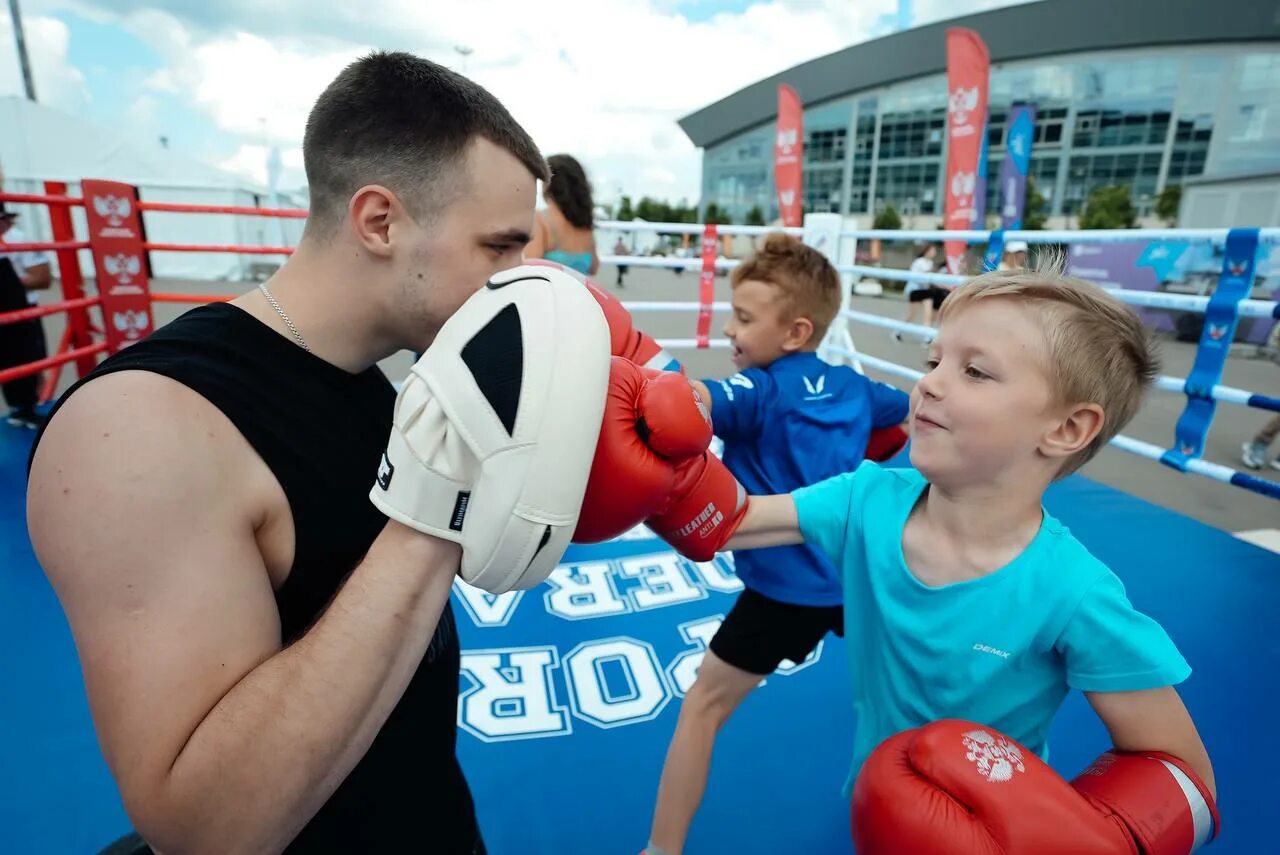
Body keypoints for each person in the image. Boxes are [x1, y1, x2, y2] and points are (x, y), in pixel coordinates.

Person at [26, 52, 559, 854]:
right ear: (380, 221)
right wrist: (438, 493)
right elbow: (208, 828)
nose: (516, 282)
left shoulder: (388, 373)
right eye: (499, 248)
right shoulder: (142, 426)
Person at [598, 259, 1216, 852]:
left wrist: (1070, 839)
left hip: (996, 828)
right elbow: (729, 524)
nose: (929, 382)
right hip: (876, 806)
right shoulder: (868, 498)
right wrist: (654, 443)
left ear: (1065, 429)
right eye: (933, 359)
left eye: (975, 372)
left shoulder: (1072, 593)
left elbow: (1181, 775)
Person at [642, 233, 911, 855]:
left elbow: (691, 402)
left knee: (703, 708)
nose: (731, 333)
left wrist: (628, 384)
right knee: (901, 699)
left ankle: (661, 849)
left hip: (782, 594)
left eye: (743, 319)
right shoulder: (853, 388)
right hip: (858, 578)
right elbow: (903, 415)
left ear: (794, 332)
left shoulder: (760, 391)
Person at [0, 204, 53, 428]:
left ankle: (29, 408)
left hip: (22, 310)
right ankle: (18, 409)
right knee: (7, 362)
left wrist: (8, 282)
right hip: (4, 312)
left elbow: (43, 278)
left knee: (31, 360)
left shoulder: (18, 239)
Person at [524, 153, 599, 276]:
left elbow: (530, 269)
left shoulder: (540, 220)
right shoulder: (585, 224)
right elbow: (593, 268)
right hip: (581, 293)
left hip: (551, 293)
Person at [899, 242, 942, 337]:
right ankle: (898, 331)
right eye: (932, 250)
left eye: (934, 251)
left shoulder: (930, 263)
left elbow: (931, 279)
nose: (934, 252)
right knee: (911, 316)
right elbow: (922, 276)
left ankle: (926, 338)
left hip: (926, 291)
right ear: (926, 251)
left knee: (928, 314)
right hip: (915, 290)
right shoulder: (919, 262)